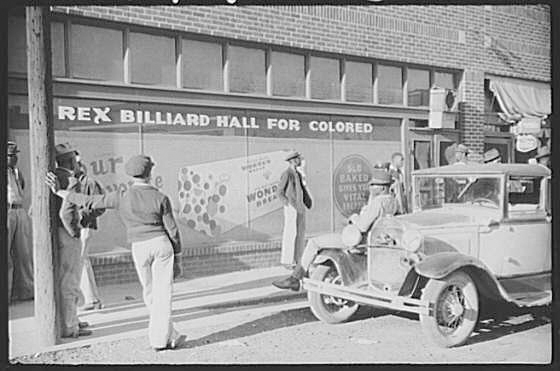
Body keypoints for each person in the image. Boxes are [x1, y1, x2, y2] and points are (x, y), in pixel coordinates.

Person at [46, 154, 184, 351]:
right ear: (150, 173)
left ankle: (171, 333)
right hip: (161, 245)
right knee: (163, 293)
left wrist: (60, 191)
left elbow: (88, 201)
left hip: (139, 247)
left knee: (150, 293)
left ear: (131, 174)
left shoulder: (121, 196)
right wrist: (178, 257)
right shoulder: (161, 198)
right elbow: (173, 230)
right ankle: (160, 340)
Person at [272, 169, 397, 291]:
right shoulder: (392, 201)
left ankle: (295, 278)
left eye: (374, 185)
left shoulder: (377, 203)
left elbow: (363, 226)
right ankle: (304, 274)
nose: (370, 188)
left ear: (382, 188)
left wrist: (353, 217)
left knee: (314, 242)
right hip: (375, 241)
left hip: (360, 241)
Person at [53, 143, 92, 338]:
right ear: (70, 161)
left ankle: (72, 320)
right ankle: (70, 326)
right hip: (67, 234)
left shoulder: (54, 176)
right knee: (70, 281)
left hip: (58, 234)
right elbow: (67, 212)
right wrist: (75, 232)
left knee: (65, 279)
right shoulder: (70, 180)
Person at [75, 152, 105, 311]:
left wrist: (83, 214)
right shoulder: (72, 182)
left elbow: (101, 206)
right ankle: (93, 298)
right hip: (77, 227)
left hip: (85, 226)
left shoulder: (90, 182)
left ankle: (91, 299)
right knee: (82, 261)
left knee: (80, 261)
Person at [7, 141, 34, 303]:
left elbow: (22, 188)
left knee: (24, 253)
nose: (15, 158)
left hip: (19, 210)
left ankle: (27, 290)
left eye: (16, 154)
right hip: (7, 211)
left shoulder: (16, 172)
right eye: (11, 155)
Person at [277, 151, 312, 268]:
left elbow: (302, 189)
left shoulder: (298, 173)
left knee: (300, 233)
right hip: (292, 207)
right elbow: (280, 192)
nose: (300, 160)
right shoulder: (287, 174)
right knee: (291, 233)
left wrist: (307, 202)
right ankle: (287, 260)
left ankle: (298, 259)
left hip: (300, 207)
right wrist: (287, 204)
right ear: (292, 161)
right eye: (297, 159)